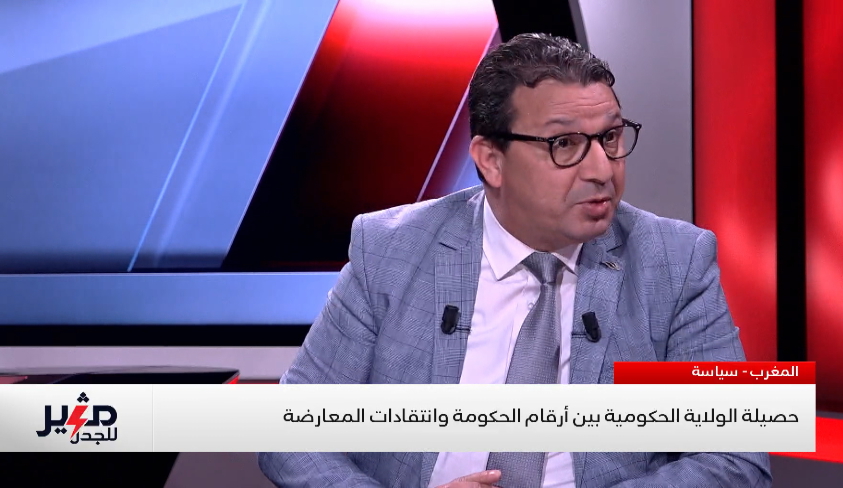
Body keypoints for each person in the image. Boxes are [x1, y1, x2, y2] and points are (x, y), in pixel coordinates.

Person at [259, 33, 771, 488]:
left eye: (611, 138)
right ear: (491, 160)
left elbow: (734, 456)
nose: (601, 169)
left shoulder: (674, 262)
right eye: (565, 144)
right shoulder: (391, 249)